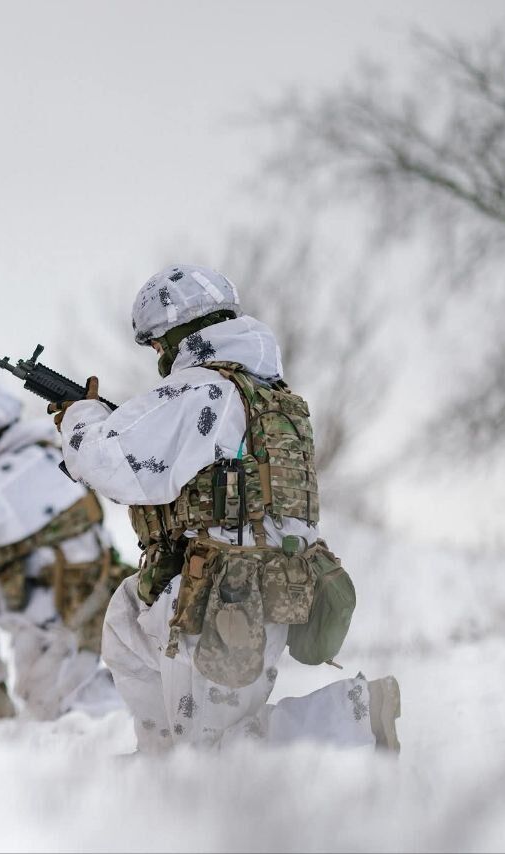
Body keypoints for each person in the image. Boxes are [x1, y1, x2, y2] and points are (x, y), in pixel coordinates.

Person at [54, 264, 401, 752]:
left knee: (217, 747)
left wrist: (81, 417)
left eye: (157, 345)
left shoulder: (204, 389)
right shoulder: (264, 393)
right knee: (127, 623)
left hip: (225, 593)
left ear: (177, 334)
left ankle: (354, 714)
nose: (159, 356)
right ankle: (163, 766)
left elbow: (111, 461)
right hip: (252, 580)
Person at [0, 384, 133, 720]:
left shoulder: (34, 461)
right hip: (31, 592)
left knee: (53, 710)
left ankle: (130, 699)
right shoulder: (17, 462)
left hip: (67, 602)